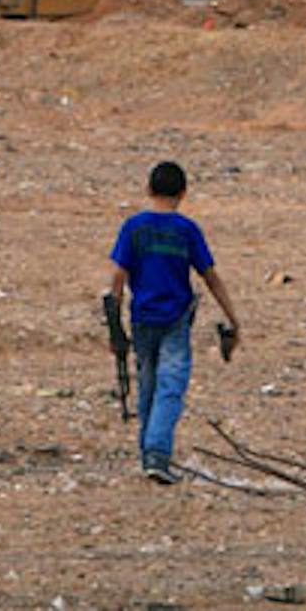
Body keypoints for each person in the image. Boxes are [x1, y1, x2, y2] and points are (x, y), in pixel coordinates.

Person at [106, 160, 243, 484]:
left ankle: (148, 454)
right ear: (183, 193)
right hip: (175, 320)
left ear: (149, 189)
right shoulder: (186, 230)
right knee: (170, 386)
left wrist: (115, 324)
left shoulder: (133, 227)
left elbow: (117, 277)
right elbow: (210, 277)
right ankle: (156, 453)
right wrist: (233, 318)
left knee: (148, 386)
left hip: (141, 318)